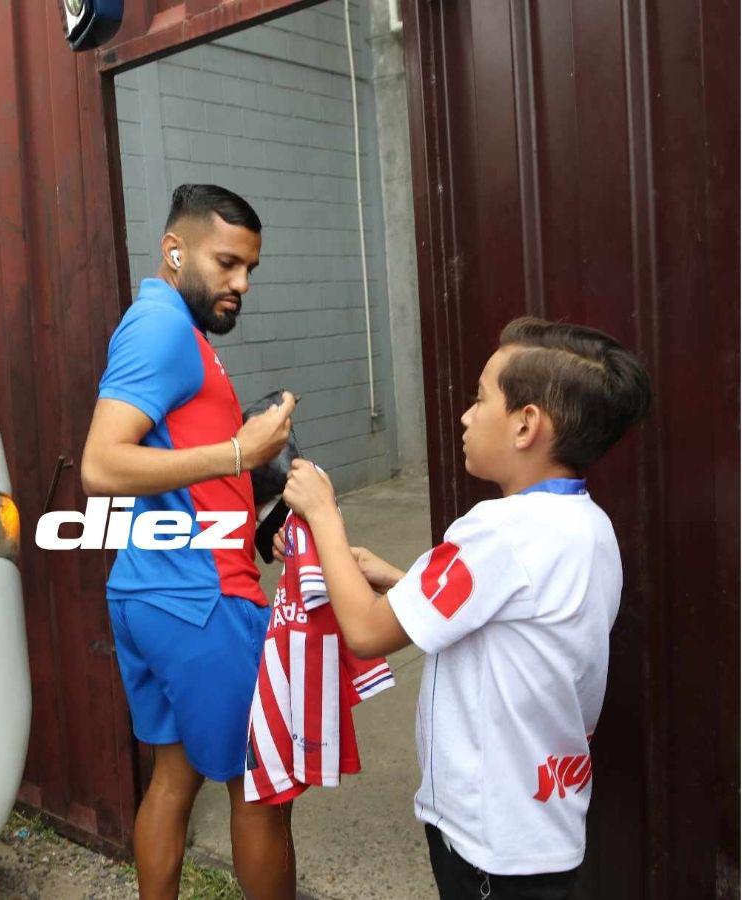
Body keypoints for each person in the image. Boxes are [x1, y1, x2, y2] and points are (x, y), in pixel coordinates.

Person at [279, 317, 651, 899]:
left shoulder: (496, 532)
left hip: (488, 845)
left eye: (480, 399)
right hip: (541, 827)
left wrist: (323, 513)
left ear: (526, 424)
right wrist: (396, 578)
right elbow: (510, 619)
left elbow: (367, 631)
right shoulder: (587, 525)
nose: (465, 416)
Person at [81, 184, 297, 899]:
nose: (241, 284)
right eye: (227, 263)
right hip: (200, 599)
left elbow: (179, 464)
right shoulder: (161, 329)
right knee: (261, 789)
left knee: (174, 778)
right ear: (175, 251)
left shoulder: (176, 328)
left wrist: (254, 513)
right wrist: (241, 451)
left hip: (155, 590)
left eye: (249, 269)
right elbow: (101, 465)